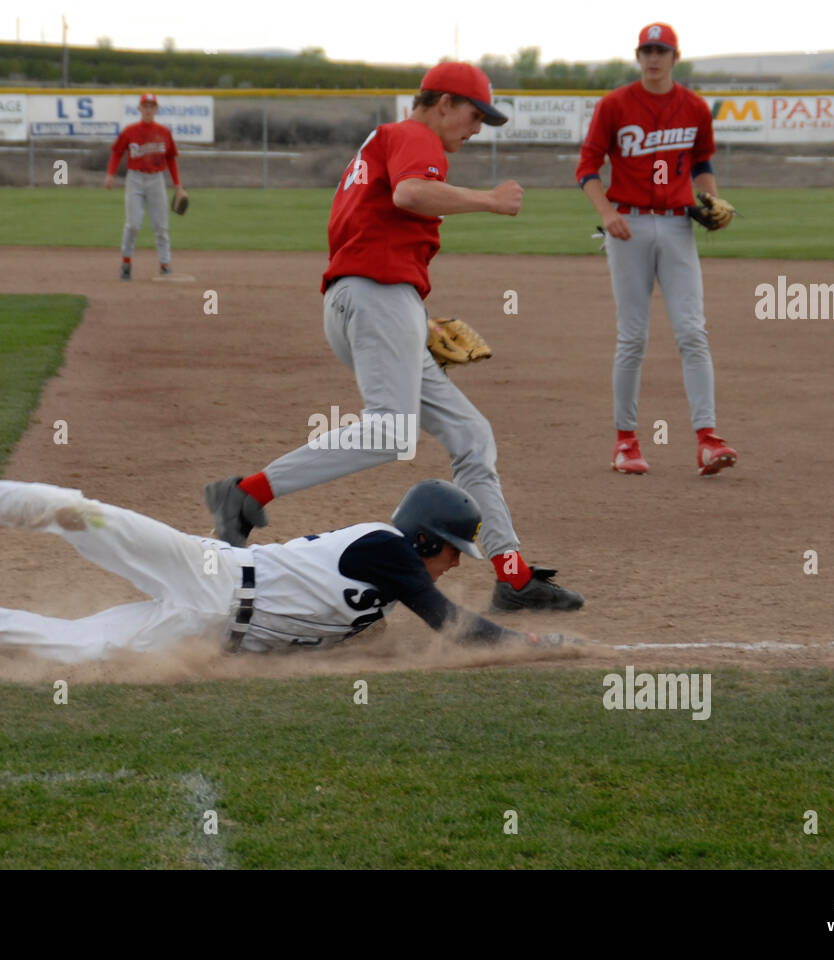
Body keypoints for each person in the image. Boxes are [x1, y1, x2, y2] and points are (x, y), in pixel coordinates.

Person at [203, 61, 585, 615]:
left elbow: (376, 227)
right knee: (390, 432)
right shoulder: (413, 135)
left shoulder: (380, 143)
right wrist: (489, 200)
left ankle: (514, 576)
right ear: (444, 103)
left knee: (470, 435)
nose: (477, 128)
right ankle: (247, 494)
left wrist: (415, 323)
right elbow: (410, 195)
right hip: (376, 298)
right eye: (475, 114)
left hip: (373, 300)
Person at [0, 455, 577, 662]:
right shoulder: (388, 551)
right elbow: (451, 623)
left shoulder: (381, 598)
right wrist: (532, 643)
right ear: (423, 540)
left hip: (207, 629)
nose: (454, 564)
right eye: (452, 552)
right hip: (206, 571)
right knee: (82, 515)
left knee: (85, 646)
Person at [576, 23, 738, 477]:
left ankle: (708, 439)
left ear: (674, 56)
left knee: (692, 331)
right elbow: (587, 167)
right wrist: (606, 213)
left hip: (677, 226)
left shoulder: (694, 108)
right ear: (638, 55)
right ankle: (625, 442)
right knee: (633, 337)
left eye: (660, 50)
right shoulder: (614, 105)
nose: (653, 57)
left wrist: (710, 198)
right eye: (646, 50)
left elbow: (702, 162)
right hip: (627, 227)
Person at [105, 92, 188, 279]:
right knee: (133, 224)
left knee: (161, 226)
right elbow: (117, 152)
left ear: (156, 109)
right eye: (145, 106)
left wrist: (177, 184)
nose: (148, 109)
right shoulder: (130, 131)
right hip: (134, 179)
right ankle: (126, 263)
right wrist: (110, 174)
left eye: (152, 106)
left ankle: (165, 264)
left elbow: (171, 159)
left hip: (156, 179)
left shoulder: (164, 132)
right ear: (139, 108)